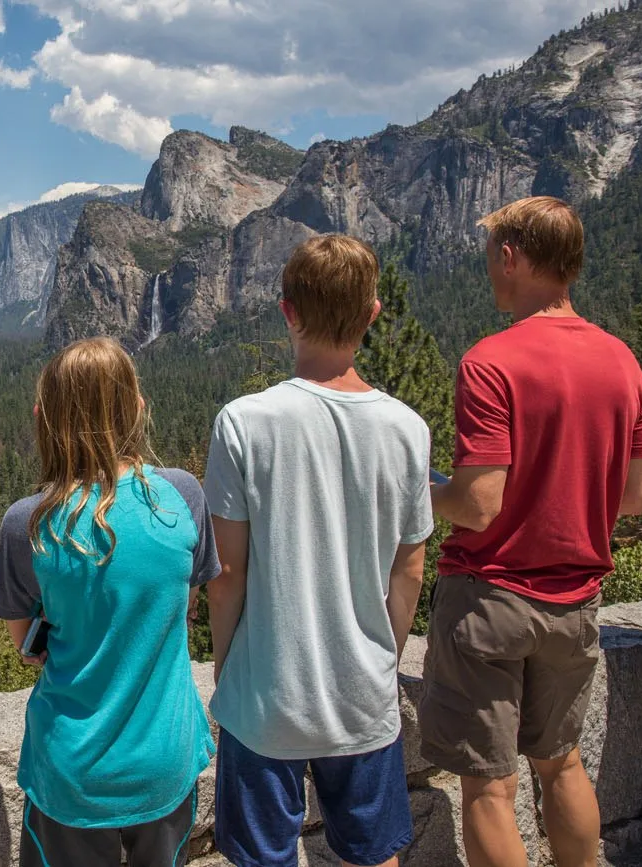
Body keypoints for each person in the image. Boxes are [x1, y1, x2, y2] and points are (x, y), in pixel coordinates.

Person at [421, 196, 642, 867]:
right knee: (562, 763)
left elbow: (477, 506)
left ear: (511, 256)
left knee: (490, 788)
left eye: (490, 254)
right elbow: (634, 498)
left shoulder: (491, 362)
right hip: (576, 602)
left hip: (491, 598)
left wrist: (420, 488)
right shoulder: (624, 364)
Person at [203, 234, 433, 867]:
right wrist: (383, 657)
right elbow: (410, 568)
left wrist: (226, 666)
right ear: (372, 314)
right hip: (363, 693)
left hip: (265, 693)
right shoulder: (408, 430)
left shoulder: (243, 422)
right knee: (374, 853)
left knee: (260, 856)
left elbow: (227, 574)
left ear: (288, 312)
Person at [0, 336, 220, 867]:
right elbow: (185, 605)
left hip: (71, 771)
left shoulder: (27, 524)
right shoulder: (183, 495)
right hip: (165, 760)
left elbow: (27, 648)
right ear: (138, 408)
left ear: (44, 418)